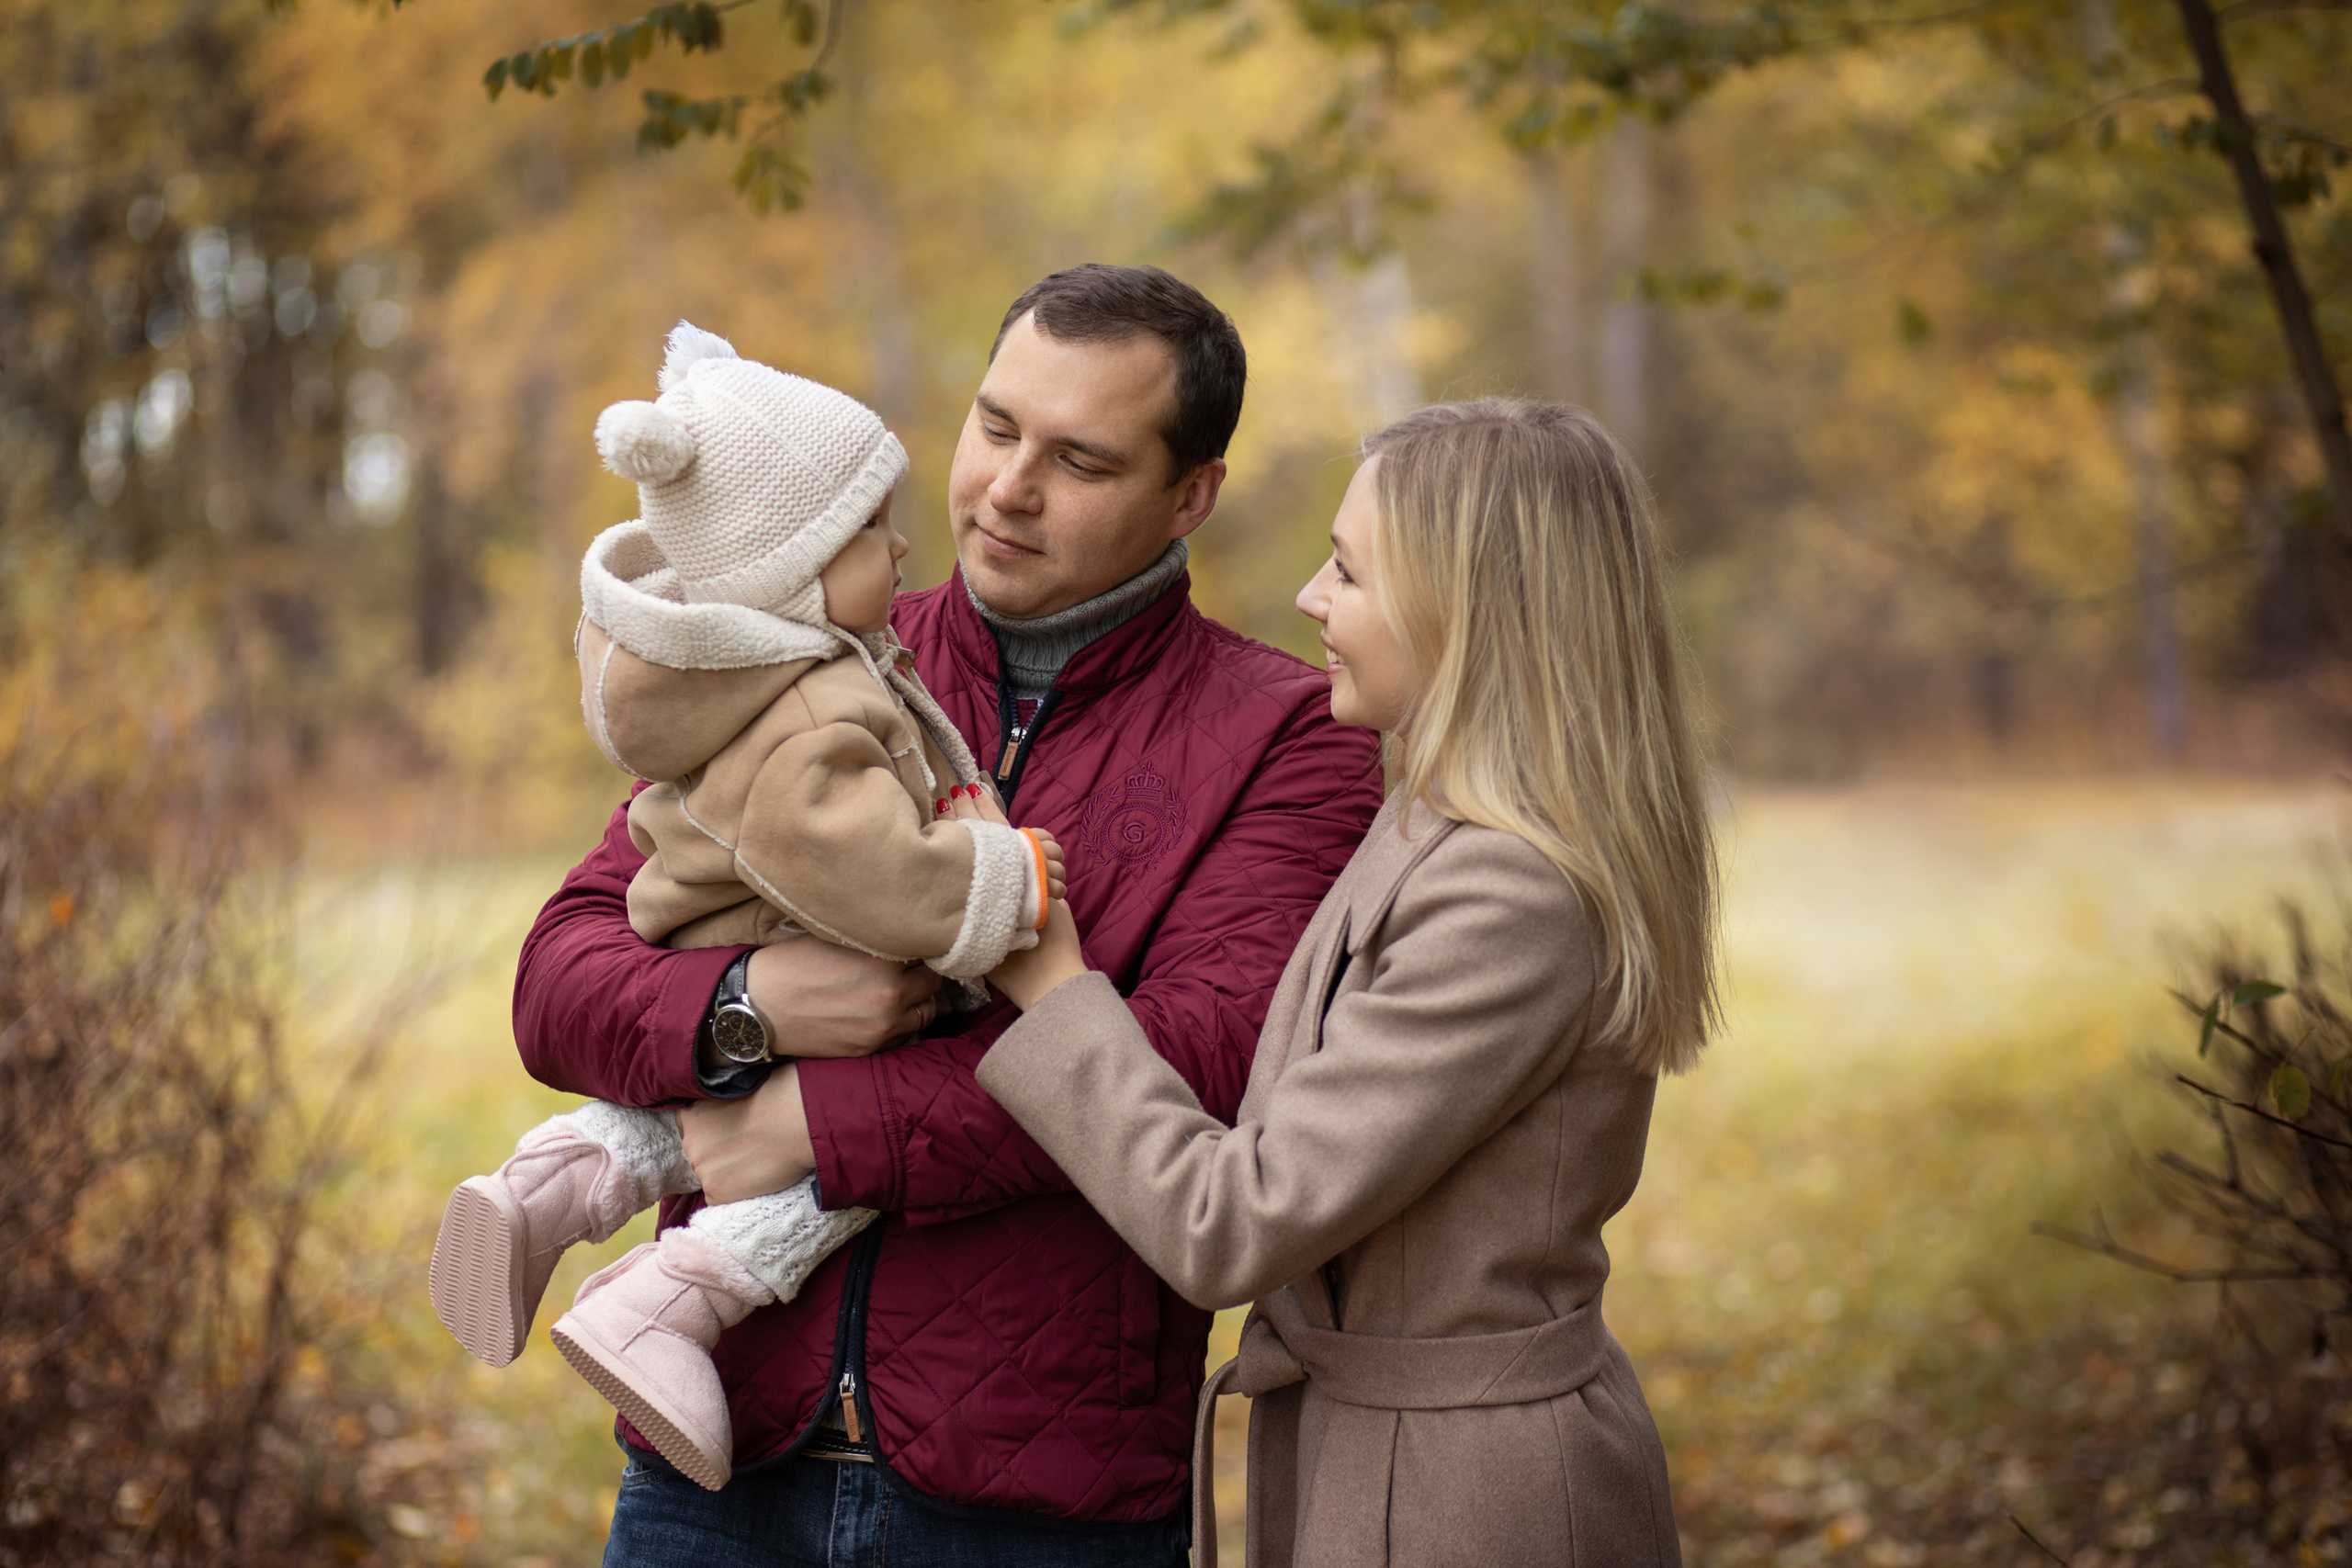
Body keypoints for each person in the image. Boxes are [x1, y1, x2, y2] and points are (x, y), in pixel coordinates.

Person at [512, 265, 1385, 1563]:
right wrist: (748, 1006)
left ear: (1189, 494)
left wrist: (812, 1120)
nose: (1006, 489)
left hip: (1037, 1492)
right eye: (994, 427)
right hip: (715, 1458)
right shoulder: (792, 642)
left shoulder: (1291, 738)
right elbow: (564, 971)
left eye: (1080, 459)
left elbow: (1192, 1064)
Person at [978, 399, 1721, 1566]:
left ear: (1468, 612)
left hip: (1463, 1502)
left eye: (1350, 573)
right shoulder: (1429, 820)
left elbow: (1233, 1222)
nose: (1310, 599)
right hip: (1376, 1456)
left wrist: (1050, 979)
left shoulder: (1509, 896)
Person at [429, 323, 1064, 1493]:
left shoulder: (750, 680)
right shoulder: (816, 704)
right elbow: (863, 866)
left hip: (1001, 1452)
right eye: (871, 530)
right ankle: (667, 1306)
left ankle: (553, 1185)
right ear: (794, 571)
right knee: (825, 1175)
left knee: (736, 1123)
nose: (907, 541)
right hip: (783, 947)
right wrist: (998, 885)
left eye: (1082, 460)